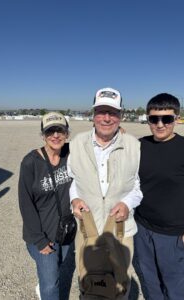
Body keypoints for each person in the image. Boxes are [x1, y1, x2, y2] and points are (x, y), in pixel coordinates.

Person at [134, 93, 184, 300]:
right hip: (142, 229)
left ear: (177, 119)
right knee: (150, 284)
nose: (160, 124)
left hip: (174, 235)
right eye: (154, 119)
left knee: (176, 289)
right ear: (147, 119)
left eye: (167, 119)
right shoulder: (139, 145)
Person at [69, 87, 143, 299]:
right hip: (87, 229)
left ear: (121, 116)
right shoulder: (76, 144)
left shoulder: (134, 146)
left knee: (120, 288)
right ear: (93, 115)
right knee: (88, 286)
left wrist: (128, 203)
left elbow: (137, 186)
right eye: (101, 111)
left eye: (112, 112)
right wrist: (74, 199)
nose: (106, 118)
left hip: (121, 232)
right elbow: (74, 180)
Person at [18, 112, 74, 300]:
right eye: (50, 131)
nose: (56, 135)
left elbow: (96, 142)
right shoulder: (30, 162)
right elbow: (26, 203)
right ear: (43, 134)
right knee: (51, 285)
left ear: (67, 133)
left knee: (57, 267)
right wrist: (40, 240)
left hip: (65, 230)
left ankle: (42, 284)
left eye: (60, 130)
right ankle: (44, 289)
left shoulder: (71, 153)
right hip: (42, 236)